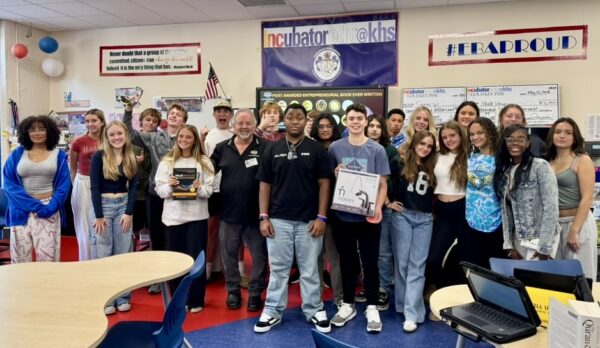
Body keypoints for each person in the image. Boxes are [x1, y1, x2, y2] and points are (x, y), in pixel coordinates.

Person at [254, 103, 331, 334]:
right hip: (278, 220)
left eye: (299, 117)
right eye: (290, 117)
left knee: (309, 269)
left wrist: (321, 217)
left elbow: (324, 184)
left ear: (305, 120)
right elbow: (264, 184)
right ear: (284, 121)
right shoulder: (272, 148)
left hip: (309, 221)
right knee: (278, 269)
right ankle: (272, 311)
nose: (295, 121)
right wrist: (263, 217)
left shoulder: (316, 149)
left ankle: (314, 309)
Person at [328, 104, 390, 334]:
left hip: (368, 216)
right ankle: (348, 304)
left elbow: (383, 183)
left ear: (366, 122)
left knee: (370, 260)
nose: (355, 122)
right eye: (351, 118)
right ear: (346, 121)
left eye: (359, 118)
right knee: (347, 262)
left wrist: (379, 207)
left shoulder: (377, 150)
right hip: (343, 215)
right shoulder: (335, 147)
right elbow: (328, 179)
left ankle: (372, 306)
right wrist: (335, 173)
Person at [124, 101, 187, 294]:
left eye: (178, 114)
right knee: (157, 237)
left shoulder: (188, 138)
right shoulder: (153, 137)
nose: (174, 115)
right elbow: (130, 133)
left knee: (178, 237)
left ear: (184, 121)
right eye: (172, 113)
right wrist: (128, 111)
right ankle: (158, 278)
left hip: (182, 194)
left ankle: (179, 275)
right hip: (156, 193)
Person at [211, 109, 268, 312]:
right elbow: (207, 172)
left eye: (248, 123)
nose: (244, 127)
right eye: (240, 123)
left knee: (260, 256)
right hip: (228, 214)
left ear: (254, 125)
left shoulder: (266, 148)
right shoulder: (221, 148)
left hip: (257, 215)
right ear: (234, 126)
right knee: (229, 256)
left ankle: (255, 293)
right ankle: (233, 291)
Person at [155, 125, 214, 313]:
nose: (184, 140)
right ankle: (178, 300)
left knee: (196, 261)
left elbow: (210, 190)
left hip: (196, 218)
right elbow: (159, 190)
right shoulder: (167, 162)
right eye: (181, 136)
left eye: (188, 137)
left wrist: (198, 188)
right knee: (176, 262)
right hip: (173, 219)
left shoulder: (204, 162)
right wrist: (171, 187)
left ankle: (196, 300)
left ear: (195, 139)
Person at [3, 115, 70, 263]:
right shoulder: (17, 154)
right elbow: (8, 184)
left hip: (49, 209)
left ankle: (46, 286)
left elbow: (63, 186)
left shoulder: (58, 155)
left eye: (41, 129)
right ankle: (23, 287)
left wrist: (50, 207)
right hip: (20, 211)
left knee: (48, 259)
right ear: (26, 132)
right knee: (20, 259)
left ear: (49, 132)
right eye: (32, 130)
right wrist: (34, 206)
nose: (37, 133)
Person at [388, 130, 437, 333]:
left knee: (418, 264)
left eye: (429, 146)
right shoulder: (399, 162)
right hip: (403, 216)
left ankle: (412, 313)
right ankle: (402, 305)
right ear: (414, 143)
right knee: (401, 264)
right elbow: (381, 180)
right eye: (422, 144)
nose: (425, 148)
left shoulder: (434, 166)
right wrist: (387, 202)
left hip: (425, 219)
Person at [89, 121, 138, 314]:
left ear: (125, 135)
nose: (116, 138)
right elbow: (94, 187)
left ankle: (123, 297)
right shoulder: (99, 157)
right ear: (107, 138)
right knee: (104, 253)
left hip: (123, 207)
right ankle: (107, 299)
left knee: (123, 254)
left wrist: (129, 212)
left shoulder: (130, 156)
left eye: (120, 134)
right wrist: (99, 216)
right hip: (103, 207)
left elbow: (133, 187)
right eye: (112, 135)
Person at [495, 124, 559, 262]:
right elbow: (506, 212)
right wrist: (509, 246)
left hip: (541, 239)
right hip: (519, 240)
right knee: (520, 282)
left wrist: (544, 248)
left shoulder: (540, 166)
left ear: (528, 142)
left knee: (537, 282)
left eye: (520, 139)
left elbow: (551, 208)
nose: (515, 143)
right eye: (510, 139)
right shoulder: (505, 171)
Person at [547, 118, 597, 278]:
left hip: (578, 223)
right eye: (558, 132)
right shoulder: (547, 162)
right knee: (557, 279)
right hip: (555, 226)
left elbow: (587, 197)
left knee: (582, 278)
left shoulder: (582, 159)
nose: (562, 136)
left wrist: (574, 230)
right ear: (552, 135)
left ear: (574, 137)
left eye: (568, 133)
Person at [425, 121, 469, 297]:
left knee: (464, 257)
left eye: (452, 135)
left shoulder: (469, 156)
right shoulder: (436, 156)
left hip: (464, 209)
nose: (449, 139)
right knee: (434, 257)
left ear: (460, 136)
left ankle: (459, 295)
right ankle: (438, 288)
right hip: (442, 210)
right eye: (444, 137)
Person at [462, 117, 505, 269]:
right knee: (474, 267)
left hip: (496, 221)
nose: (475, 137)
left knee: (495, 268)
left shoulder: (502, 159)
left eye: (480, 133)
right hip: (471, 220)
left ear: (490, 133)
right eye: (472, 134)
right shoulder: (469, 158)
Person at [365, 113, 398, 311]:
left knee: (383, 252)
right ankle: (369, 286)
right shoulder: (357, 147)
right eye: (371, 125)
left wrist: (387, 202)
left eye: (378, 126)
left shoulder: (390, 150)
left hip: (383, 208)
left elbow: (392, 179)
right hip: (360, 207)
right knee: (365, 251)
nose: (374, 129)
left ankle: (383, 288)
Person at [310, 112, 343, 305]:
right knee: (315, 260)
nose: (324, 129)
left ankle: (339, 298)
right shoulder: (310, 147)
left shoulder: (341, 148)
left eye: (328, 126)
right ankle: (316, 298)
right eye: (321, 126)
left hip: (337, 212)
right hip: (313, 211)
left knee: (336, 259)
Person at [203, 99, 235, 281]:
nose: (222, 114)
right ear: (214, 114)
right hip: (214, 189)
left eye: (226, 111)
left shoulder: (236, 133)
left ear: (230, 114)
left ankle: (237, 270)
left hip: (232, 189)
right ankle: (207, 270)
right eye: (219, 111)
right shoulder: (208, 136)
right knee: (211, 230)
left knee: (234, 230)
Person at [69, 108, 105, 261]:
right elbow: (72, 168)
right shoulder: (78, 142)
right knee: (84, 224)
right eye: (88, 121)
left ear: (102, 122)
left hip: (103, 184)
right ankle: (86, 258)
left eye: (94, 120)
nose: (90, 124)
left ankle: (102, 257)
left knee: (101, 221)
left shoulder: (108, 140)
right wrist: (76, 187)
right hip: (83, 182)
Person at [131, 108, 161, 256]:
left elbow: (157, 165)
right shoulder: (134, 139)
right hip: (135, 192)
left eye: (154, 121)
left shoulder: (159, 139)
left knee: (152, 226)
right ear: (141, 121)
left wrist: (143, 162)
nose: (151, 123)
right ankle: (131, 254)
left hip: (151, 191)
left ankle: (151, 254)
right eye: (148, 120)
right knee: (134, 227)